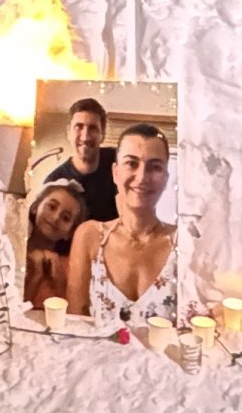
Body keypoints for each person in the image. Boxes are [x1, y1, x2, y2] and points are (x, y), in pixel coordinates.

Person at [66, 123, 174, 326]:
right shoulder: (90, 236)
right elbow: (75, 324)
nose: (142, 177)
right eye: (131, 164)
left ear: (166, 179)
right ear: (115, 173)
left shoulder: (182, 244)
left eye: (155, 167)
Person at [43, 98, 118, 223]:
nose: (85, 136)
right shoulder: (54, 183)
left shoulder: (119, 161)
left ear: (103, 134)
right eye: (79, 127)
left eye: (93, 128)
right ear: (68, 132)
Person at [23, 179, 89, 311]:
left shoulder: (73, 268)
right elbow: (9, 316)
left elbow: (75, 320)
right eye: (52, 207)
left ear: (69, 232)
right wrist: (36, 276)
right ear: (36, 206)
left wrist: (60, 281)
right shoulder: (11, 256)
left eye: (65, 218)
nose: (55, 217)